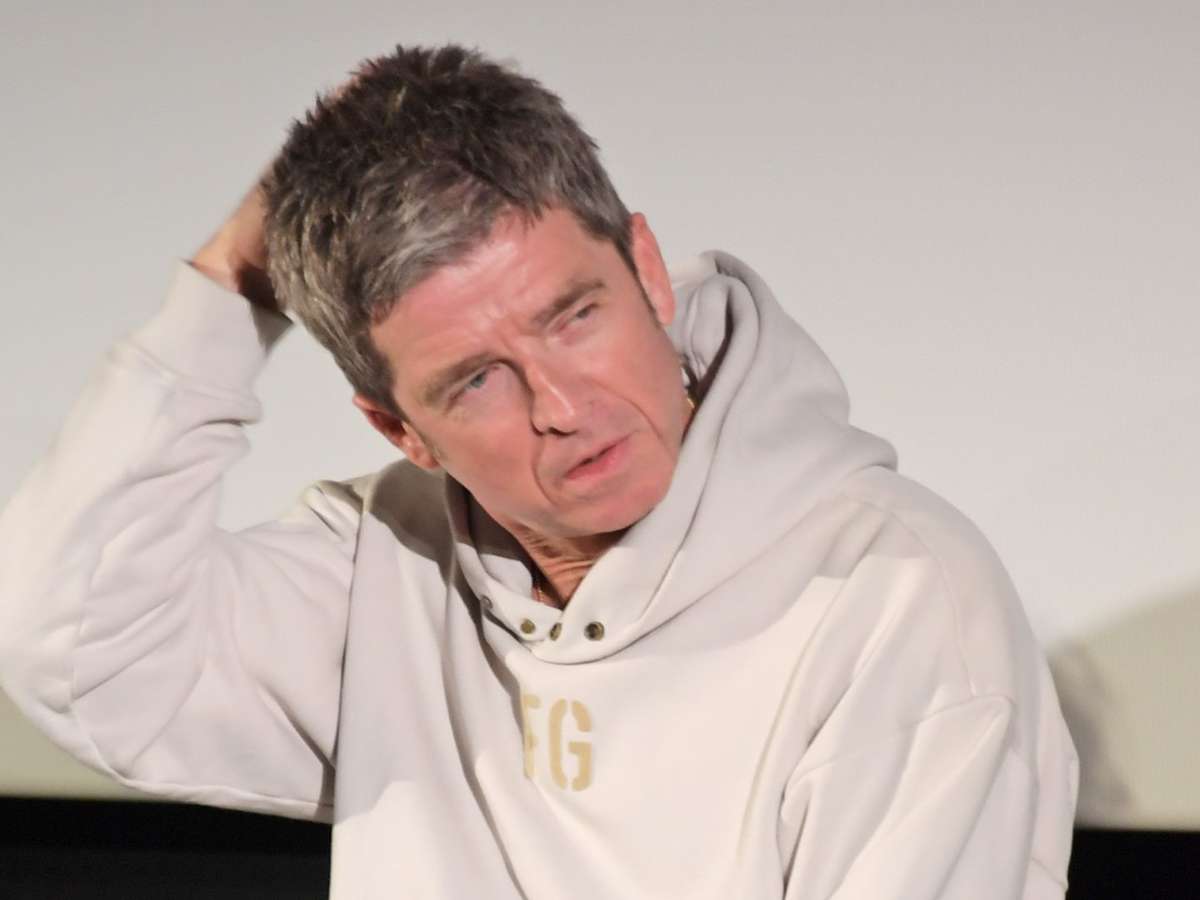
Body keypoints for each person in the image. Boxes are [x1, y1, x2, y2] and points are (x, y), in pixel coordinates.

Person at [0, 43, 1078, 899]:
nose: (564, 407)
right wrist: (231, 287)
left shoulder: (897, 599)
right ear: (399, 429)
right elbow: (72, 645)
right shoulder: (387, 569)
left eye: (574, 316)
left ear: (646, 268)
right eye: (477, 381)